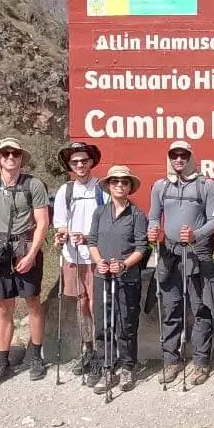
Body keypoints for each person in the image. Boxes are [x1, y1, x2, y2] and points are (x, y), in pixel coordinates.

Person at [145, 139, 214, 387]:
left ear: (191, 157)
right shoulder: (160, 186)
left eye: (184, 155)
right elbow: (154, 216)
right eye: (174, 155)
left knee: (202, 308)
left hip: (198, 255)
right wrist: (153, 231)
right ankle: (171, 360)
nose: (179, 160)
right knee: (171, 308)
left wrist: (196, 234)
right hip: (170, 253)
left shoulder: (206, 185)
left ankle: (200, 362)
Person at [0, 137, 51, 386]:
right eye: (6, 153)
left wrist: (31, 254)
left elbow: (42, 222)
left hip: (25, 245)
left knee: (33, 303)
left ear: (20, 158)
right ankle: (3, 362)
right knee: (4, 308)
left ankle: (36, 356)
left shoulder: (34, 185)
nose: (10, 157)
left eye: (15, 153)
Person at [88, 164, 149, 394]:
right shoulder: (100, 212)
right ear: (109, 186)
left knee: (126, 324)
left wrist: (124, 264)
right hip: (102, 276)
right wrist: (99, 261)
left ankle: (127, 368)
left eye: (124, 182)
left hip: (127, 277)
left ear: (129, 186)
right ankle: (106, 367)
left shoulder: (137, 214)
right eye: (115, 182)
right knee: (103, 325)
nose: (119, 185)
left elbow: (142, 247)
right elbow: (92, 241)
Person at [52, 141, 103, 378]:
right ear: (70, 165)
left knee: (95, 301)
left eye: (84, 160)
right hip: (72, 255)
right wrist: (62, 233)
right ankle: (88, 349)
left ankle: (100, 350)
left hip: (94, 254)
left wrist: (89, 237)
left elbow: (106, 221)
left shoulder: (101, 188)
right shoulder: (66, 191)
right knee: (81, 301)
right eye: (75, 162)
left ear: (91, 162)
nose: (80, 165)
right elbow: (60, 221)